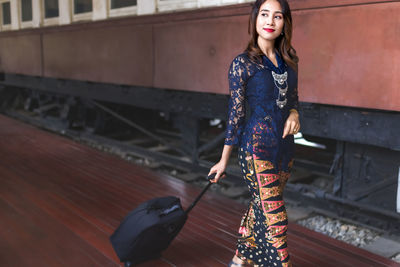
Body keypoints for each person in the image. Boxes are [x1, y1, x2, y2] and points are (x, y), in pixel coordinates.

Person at [208, 0, 300, 266]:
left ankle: (240, 257)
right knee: (276, 220)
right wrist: (224, 160)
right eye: (264, 14)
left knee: (260, 205)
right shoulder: (243, 64)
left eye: (277, 16)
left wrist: (295, 114)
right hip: (256, 149)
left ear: (285, 24)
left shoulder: (290, 61)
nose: (270, 21)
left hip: (284, 150)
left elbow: (294, 100)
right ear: (255, 20)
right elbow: (235, 116)